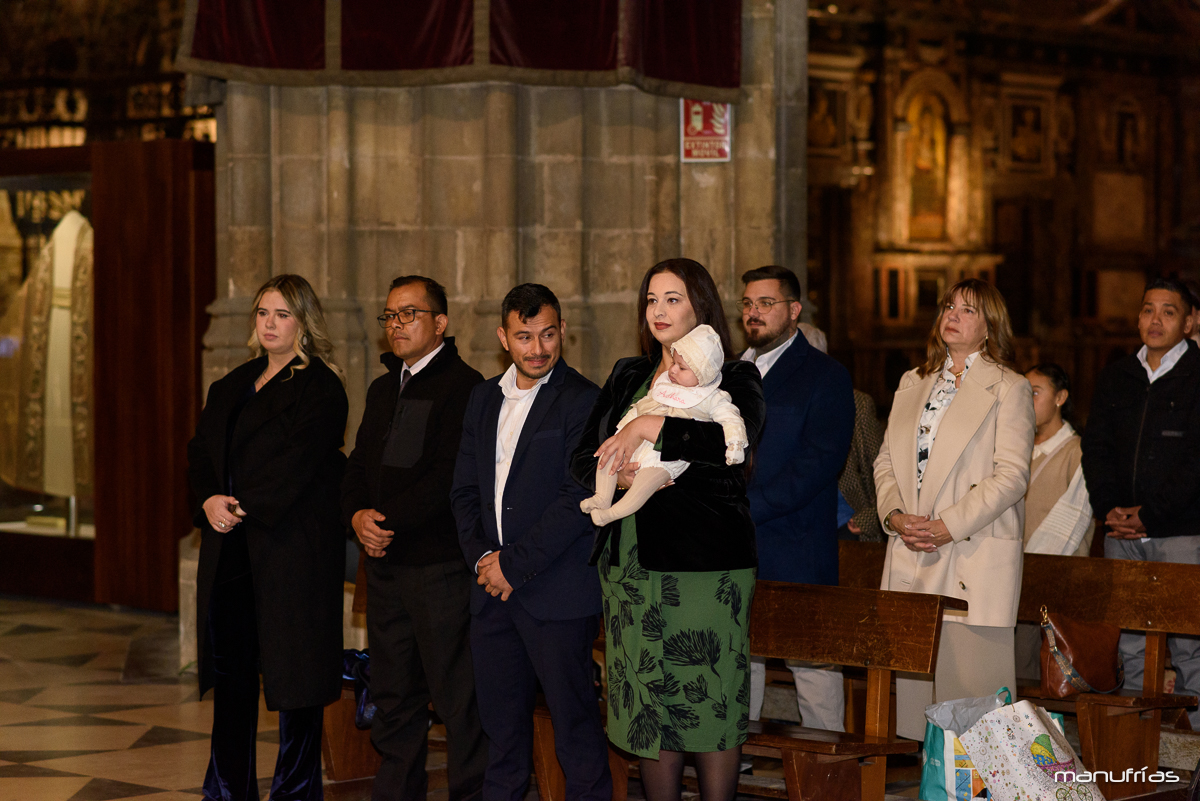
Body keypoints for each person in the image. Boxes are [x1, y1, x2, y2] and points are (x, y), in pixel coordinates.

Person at [570, 258, 764, 801]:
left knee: (705, 697)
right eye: (652, 299)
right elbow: (583, 456)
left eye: (673, 298)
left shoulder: (736, 376)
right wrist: (621, 469)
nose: (659, 310)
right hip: (629, 564)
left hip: (704, 565)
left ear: (700, 306)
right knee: (647, 703)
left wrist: (656, 426)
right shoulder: (628, 374)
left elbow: (735, 457)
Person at [188, 274, 349, 801]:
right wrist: (210, 498)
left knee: (295, 678)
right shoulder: (231, 384)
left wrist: (242, 504)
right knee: (233, 677)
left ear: (303, 322)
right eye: (263, 313)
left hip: (290, 552)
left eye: (282, 315)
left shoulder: (321, 387)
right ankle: (230, 788)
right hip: (231, 548)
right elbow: (200, 453)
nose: (270, 324)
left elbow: (299, 465)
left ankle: (295, 790)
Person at [450, 284, 611, 801]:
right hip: (491, 593)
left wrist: (513, 565)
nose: (538, 348)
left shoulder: (584, 400)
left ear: (562, 330)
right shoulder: (481, 397)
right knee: (502, 736)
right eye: (524, 337)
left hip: (556, 593)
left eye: (547, 334)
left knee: (576, 734)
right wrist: (482, 559)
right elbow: (464, 490)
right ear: (503, 338)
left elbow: (577, 497)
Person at [342, 276, 487, 801]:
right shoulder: (384, 388)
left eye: (408, 314)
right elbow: (358, 466)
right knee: (394, 692)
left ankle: (470, 794)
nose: (396, 325)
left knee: (456, 696)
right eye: (389, 316)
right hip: (384, 567)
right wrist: (357, 515)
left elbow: (448, 478)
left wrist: (382, 524)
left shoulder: (466, 387)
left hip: (438, 568)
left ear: (440, 324)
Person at [873, 278, 1034, 740]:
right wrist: (894, 517)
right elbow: (885, 460)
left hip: (972, 553)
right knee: (918, 719)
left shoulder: (1009, 387)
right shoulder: (914, 381)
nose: (953, 314)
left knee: (975, 719)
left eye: (968, 309)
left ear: (990, 327)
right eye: (949, 306)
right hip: (912, 549)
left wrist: (948, 525)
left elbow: (1011, 477)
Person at [1081, 277, 1200, 727]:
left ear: (1189, 321)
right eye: (1149, 310)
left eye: (1169, 312)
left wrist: (1150, 515)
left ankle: (1193, 756)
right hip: (1120, 531)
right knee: (1128, 641)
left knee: (1190, 643)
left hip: (1181, 532)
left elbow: (1195, 461)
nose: (1156, 320)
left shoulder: (1196, 375)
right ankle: (1134, 743)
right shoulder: (1118, 375)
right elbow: (1097, 447)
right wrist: (1110, 507)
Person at [739, 268, 854, 733]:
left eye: (765, 303)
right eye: (747, 303)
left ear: (793, 310)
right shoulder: (728, 371)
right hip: (737, 546)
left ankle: (830, 775)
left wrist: (749, 506)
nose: (753, 313)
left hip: (796, 546)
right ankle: (732, 763)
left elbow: (819, 462)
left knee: (814, 670)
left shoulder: (824, 375)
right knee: (739, 664)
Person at [581, 324, 748, 527]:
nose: (673, 370)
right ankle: (602, 498)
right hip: (637, 446)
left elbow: (731, 419)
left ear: (702, 374)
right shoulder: (664, 384)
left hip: (666, 458)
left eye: (682, 367)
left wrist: (735, 444)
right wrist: (624, 429)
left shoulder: (713, 397)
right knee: (608, 457)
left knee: (644, 485)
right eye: (674, 363)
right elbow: (643, 405)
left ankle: (612, 513)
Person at [1014, 362, 1094, 681]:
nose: (1026, 401)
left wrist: (1030, 569)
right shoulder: (1014, 452)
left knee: (1041, 677)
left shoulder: (1078, 453)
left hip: (1055, 586)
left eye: (1034, 393)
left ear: (1060, 397)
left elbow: (1073, 524)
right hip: (1014, 583)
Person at [798, 322, 885, 541]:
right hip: (797, 524)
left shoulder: (858, 404)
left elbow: (881, 466)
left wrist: (870, 518)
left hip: (845, 525)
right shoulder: (779, 404)